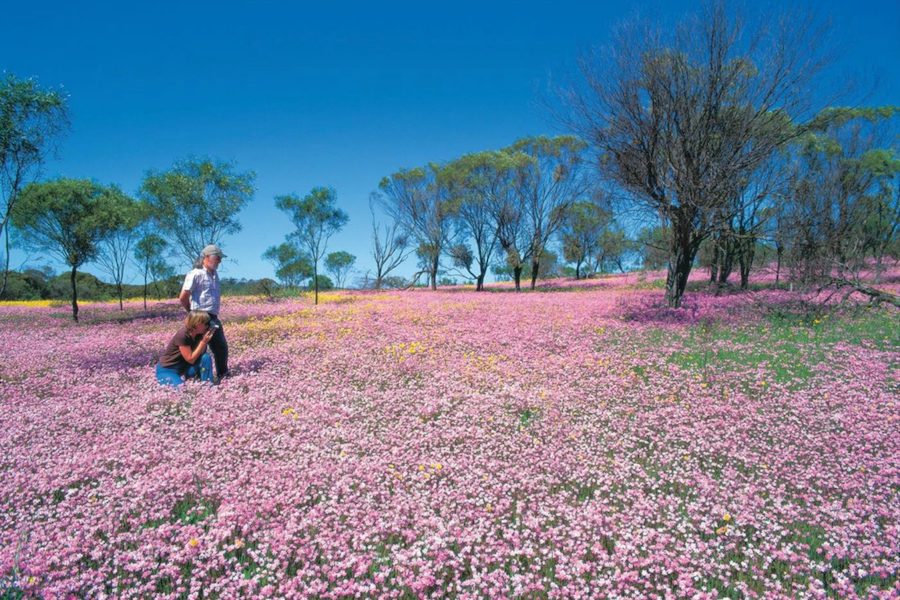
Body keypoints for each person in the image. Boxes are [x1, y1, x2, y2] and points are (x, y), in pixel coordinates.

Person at [180, 244, 229, 380]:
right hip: (199, 316)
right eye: (217, 258)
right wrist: (192, 314)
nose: (219, 261)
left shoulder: (215, 275)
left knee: (221, 347)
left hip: (213, 317)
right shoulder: (195, 274)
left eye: (220, 258)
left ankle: (223, 374)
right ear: (207, 257)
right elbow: (183, 297)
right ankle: (195, 377)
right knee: (200, 350)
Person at [156, 310, 215, 386]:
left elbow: (200, 355)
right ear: (197, 324)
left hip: (185, 368)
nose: (208, 326)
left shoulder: (199, 334)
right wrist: (203, 342)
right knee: (181, 388)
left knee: (206, 357)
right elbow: (191, 359)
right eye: (206, 323)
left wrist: (206, 337)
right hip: (168, 369)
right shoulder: (183, 335)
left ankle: (208, 385)